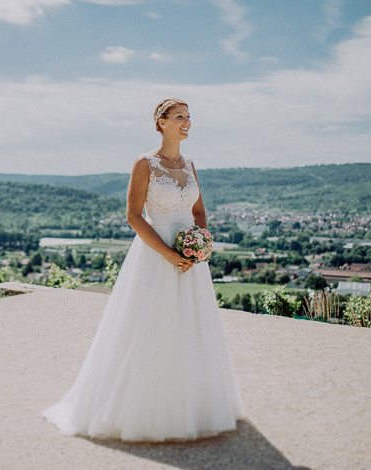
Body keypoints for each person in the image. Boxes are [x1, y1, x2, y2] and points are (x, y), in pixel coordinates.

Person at [42, 98, 245, 442]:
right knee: (150, 325)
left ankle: (195, 408)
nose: (187, 123)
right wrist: (167, 253)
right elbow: (133, 215)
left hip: (188, 257)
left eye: (189, 117)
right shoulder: (145, 163)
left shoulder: (190, 164)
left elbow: (198, 211)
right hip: (155, 253)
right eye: (180, 117)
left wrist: (199, 242)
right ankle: (141, 410)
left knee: (192, 328)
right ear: (161, 122)